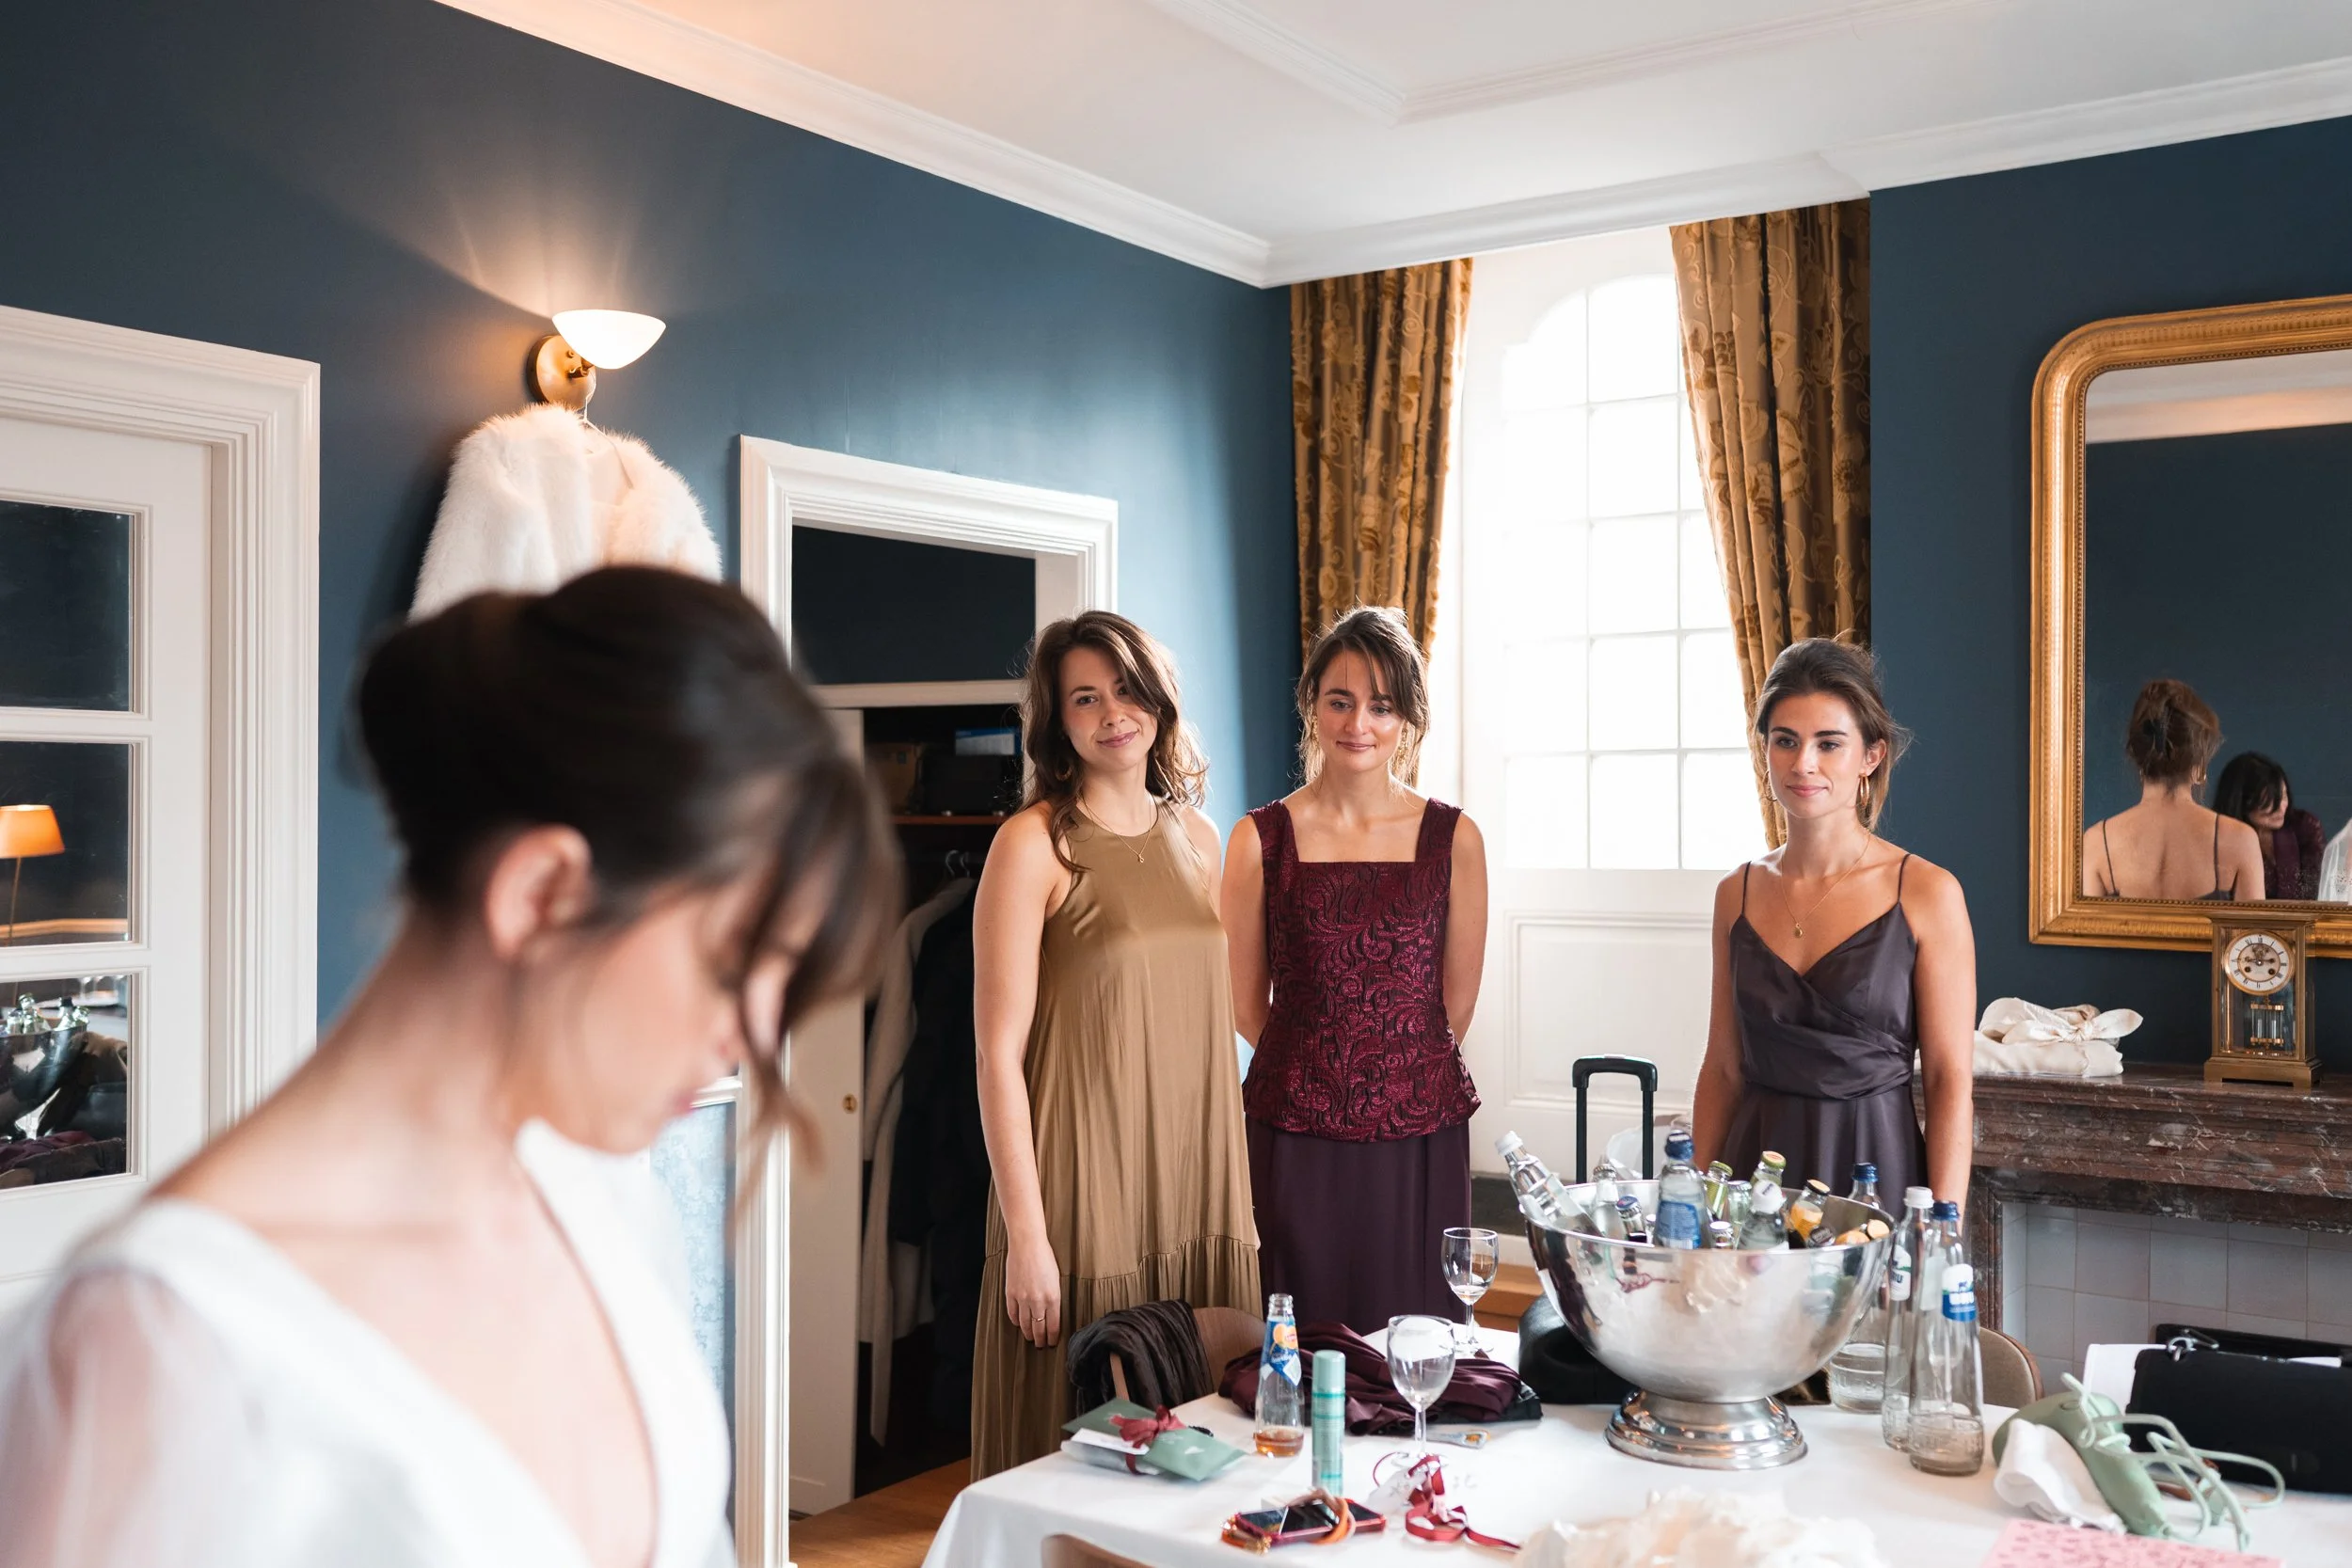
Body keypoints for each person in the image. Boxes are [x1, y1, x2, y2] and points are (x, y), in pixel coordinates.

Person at [0, 567, 898, 1567]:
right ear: (544, 893)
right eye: (739, 961)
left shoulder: (599, 1195)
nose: (754, 1033)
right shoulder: (166, 1341)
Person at [969, 611, 1257, 1478]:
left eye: (1127, 690)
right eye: (1085, 697)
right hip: (1083, 1191)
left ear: (1159, 703)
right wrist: (1027, 1232)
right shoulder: (1033, 844)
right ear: (1058, 721)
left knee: (1209, 1447)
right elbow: (995, 1055)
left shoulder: (1201, 840)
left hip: (1194, 1183)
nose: (1112, 712)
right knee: (1077, 1453)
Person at [1223, 607, 1486, 1332]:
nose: (1358, 723)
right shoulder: (1257, 839)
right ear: (1313, 704)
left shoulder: (1454, 838)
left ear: (1408, 716)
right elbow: (1246, 1004)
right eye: (1340, 700)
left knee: (1416, 1347)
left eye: (1381, 704)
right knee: (1298, 1352)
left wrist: (1389, 1074)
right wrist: (1325, 1074)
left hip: (1418, 1135)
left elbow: (1453, 1007)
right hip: (1293, 1133)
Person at [1692, 639, 1975, 1206]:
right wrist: (1694, 1200)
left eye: (1829, 744)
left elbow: (1948, 1082)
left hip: (1874, 1172)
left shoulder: (1927, 892)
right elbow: (1723, 1069)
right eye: (1786, 741)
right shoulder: (1736, 894)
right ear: (1765, 750)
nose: (1804, 764)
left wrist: (1942, 1228)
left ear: (1871, 755)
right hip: (1753, 1182)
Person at [2083, 680, 2264, 902]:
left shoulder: (2096, 842)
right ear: (2200, 765)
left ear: (2138, 759)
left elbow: (2088, 933)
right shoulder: (2241, 841)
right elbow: (2253, 936)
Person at [2214, 752, 2326, 901]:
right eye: (2270, 799)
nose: (2281, 807)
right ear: (2241, 801)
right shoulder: (2219, 838)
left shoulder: (2304, 827)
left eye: (2284, 796)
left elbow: (2318, 892)